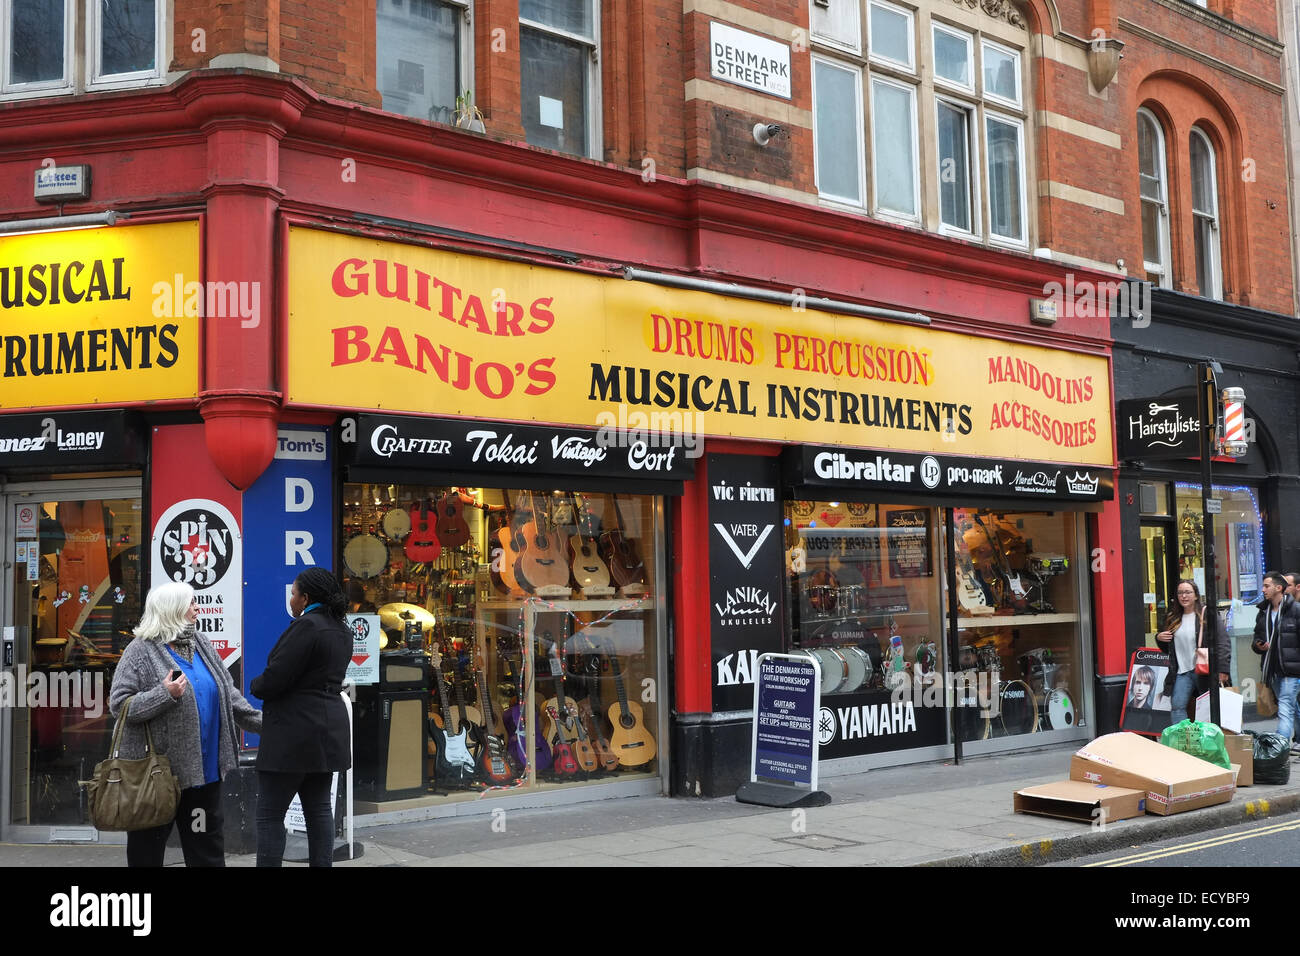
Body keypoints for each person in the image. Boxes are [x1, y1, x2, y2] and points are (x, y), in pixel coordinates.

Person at [108, 582, 262, 867]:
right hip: (156, 780)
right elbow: (119, 704)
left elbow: (229, 695)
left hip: (202, 779)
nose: (197, 609)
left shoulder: (200, 643)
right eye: (191, 604)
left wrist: (266, 724)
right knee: (147, 854)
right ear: (173, 610)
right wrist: (164, 694)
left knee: (206, 853)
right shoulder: (140, 651)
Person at [252, 567, 353, 867]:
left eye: (294, 593)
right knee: (320, 809)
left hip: (293, 734)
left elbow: (276, 678)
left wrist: (256, 685)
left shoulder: (307, 626)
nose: (292, 599)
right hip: (328, 731)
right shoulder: (341, 629)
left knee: (269, 814)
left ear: (306, 597)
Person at [1155, 579, 1230, 726]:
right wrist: (1158, 638)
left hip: (1203, 670)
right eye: (1180, 593)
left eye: (1188, 592)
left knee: (1207, 708)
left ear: (1196, 595)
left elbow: (1223, 641)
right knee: (1177, 706)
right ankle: (1183, 739)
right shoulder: (1173, 618)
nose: (1184, 596)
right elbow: (1170, 649)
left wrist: (1223, 668)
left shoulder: (1206, 614)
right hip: (1182, 672)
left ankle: (1206, 739)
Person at [1251, 569, 1300, 751]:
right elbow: (1256, 638)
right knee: (1290, 706)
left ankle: (1278, 750)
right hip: (1272, 668)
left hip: (1291, 669)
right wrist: (1259, 645)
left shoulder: (1295, 610)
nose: (1263, 589)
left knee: (1285, 707)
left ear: (1279, 588)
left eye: (1266, 586)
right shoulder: (1263, 612)